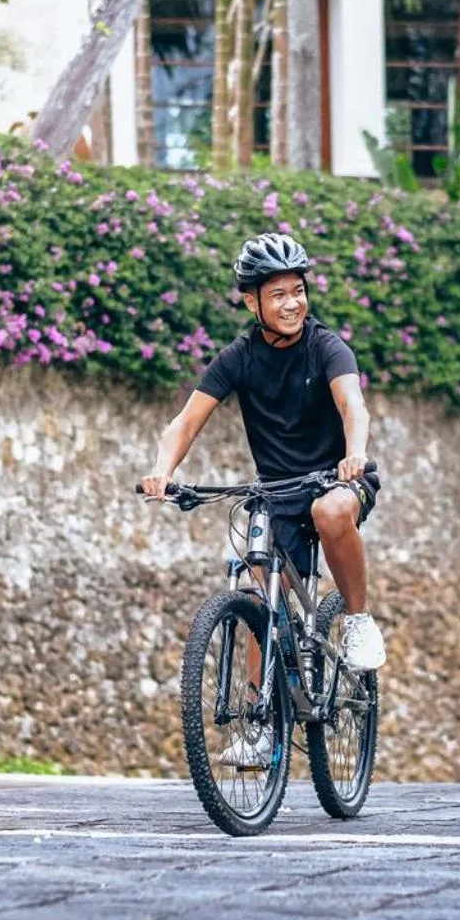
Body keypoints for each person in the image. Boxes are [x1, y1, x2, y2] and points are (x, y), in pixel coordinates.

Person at [141, 233, 387, 721]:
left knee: (331, 509)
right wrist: (162, 473)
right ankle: (257, 718)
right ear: (251, 301)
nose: (292, 303)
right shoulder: (239, 357)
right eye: (278, 294)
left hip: (336, 479)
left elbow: (351, 404)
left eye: (298, 290)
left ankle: (356, 619)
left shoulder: (327, 348)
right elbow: (185, 423)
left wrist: (354, 454)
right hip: (275, 491)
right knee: (258, 596)